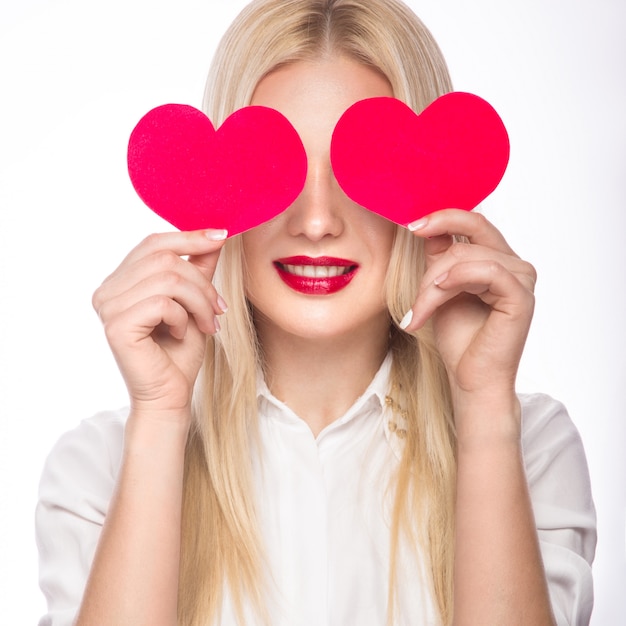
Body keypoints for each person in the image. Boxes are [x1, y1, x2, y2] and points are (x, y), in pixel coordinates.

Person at [35, 0, 596, 624]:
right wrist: (161, 420)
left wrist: (486, 404)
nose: (318, 222)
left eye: (360, 170)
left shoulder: (530, 449)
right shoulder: (99, 469)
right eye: (280, 168)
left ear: (429, 187)